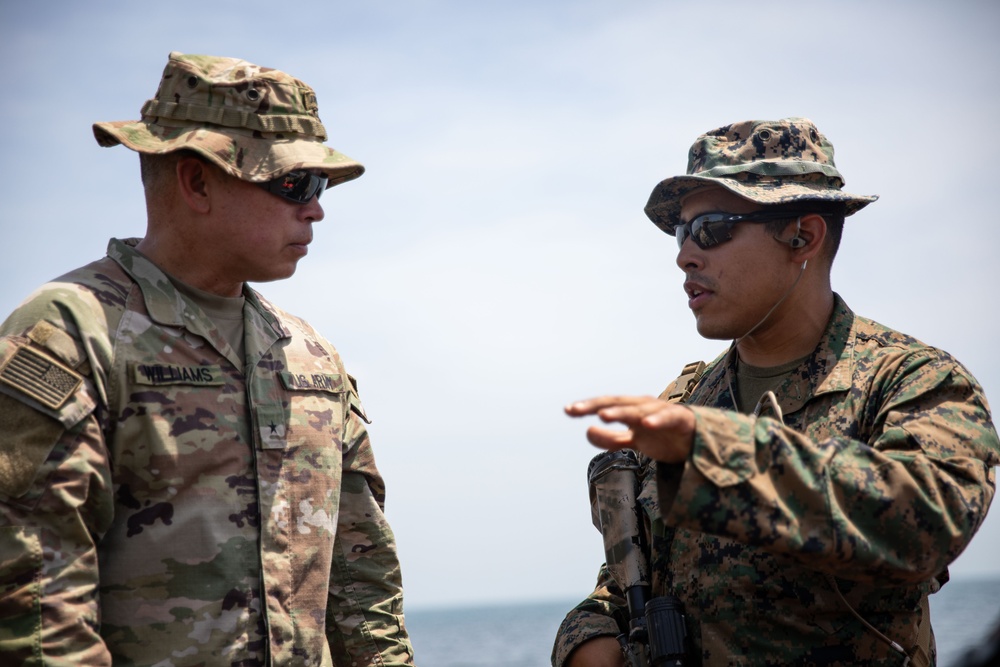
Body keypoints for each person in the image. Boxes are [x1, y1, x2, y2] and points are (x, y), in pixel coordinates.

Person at [0, 52, 414, 666]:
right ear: (196, 181)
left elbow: (364, 584)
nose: (316, 208)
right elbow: (32, 602)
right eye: (292, 184)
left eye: (319, 185)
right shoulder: (72, 332)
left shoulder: (311, 357)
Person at [552, 118, 999, 667]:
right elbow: (628, 579)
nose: (685, 256)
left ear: (803, 236)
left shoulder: (911, 381)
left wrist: (710, 448)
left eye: (712, 228)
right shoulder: (686, 401)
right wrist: (587, 640)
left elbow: (926, 524)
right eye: (681, 232)